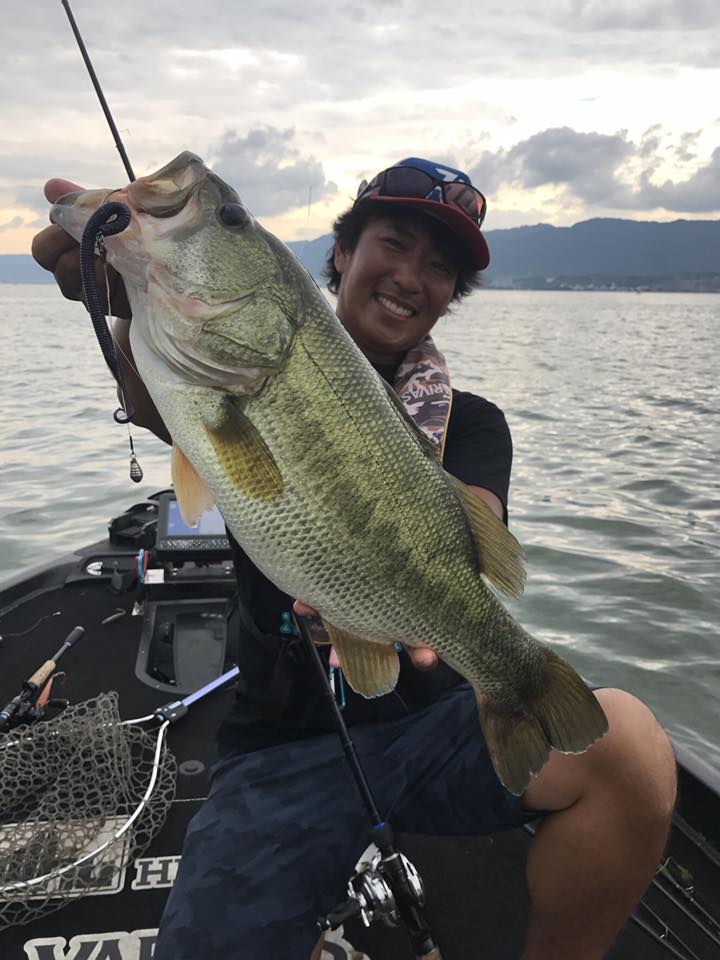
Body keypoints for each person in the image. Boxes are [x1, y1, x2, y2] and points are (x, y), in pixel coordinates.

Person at [33, 156, 677, 960]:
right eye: (394, 243)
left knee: (633, 749)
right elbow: (156, 397)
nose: (410, 276)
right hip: (281, 746)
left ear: (452, 294)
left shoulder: (474, 422)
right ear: (343, 252)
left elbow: (473, 529)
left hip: (435, 720)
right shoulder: (220, 358)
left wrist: (409, 600)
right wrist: (126, 295)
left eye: (439, 266)